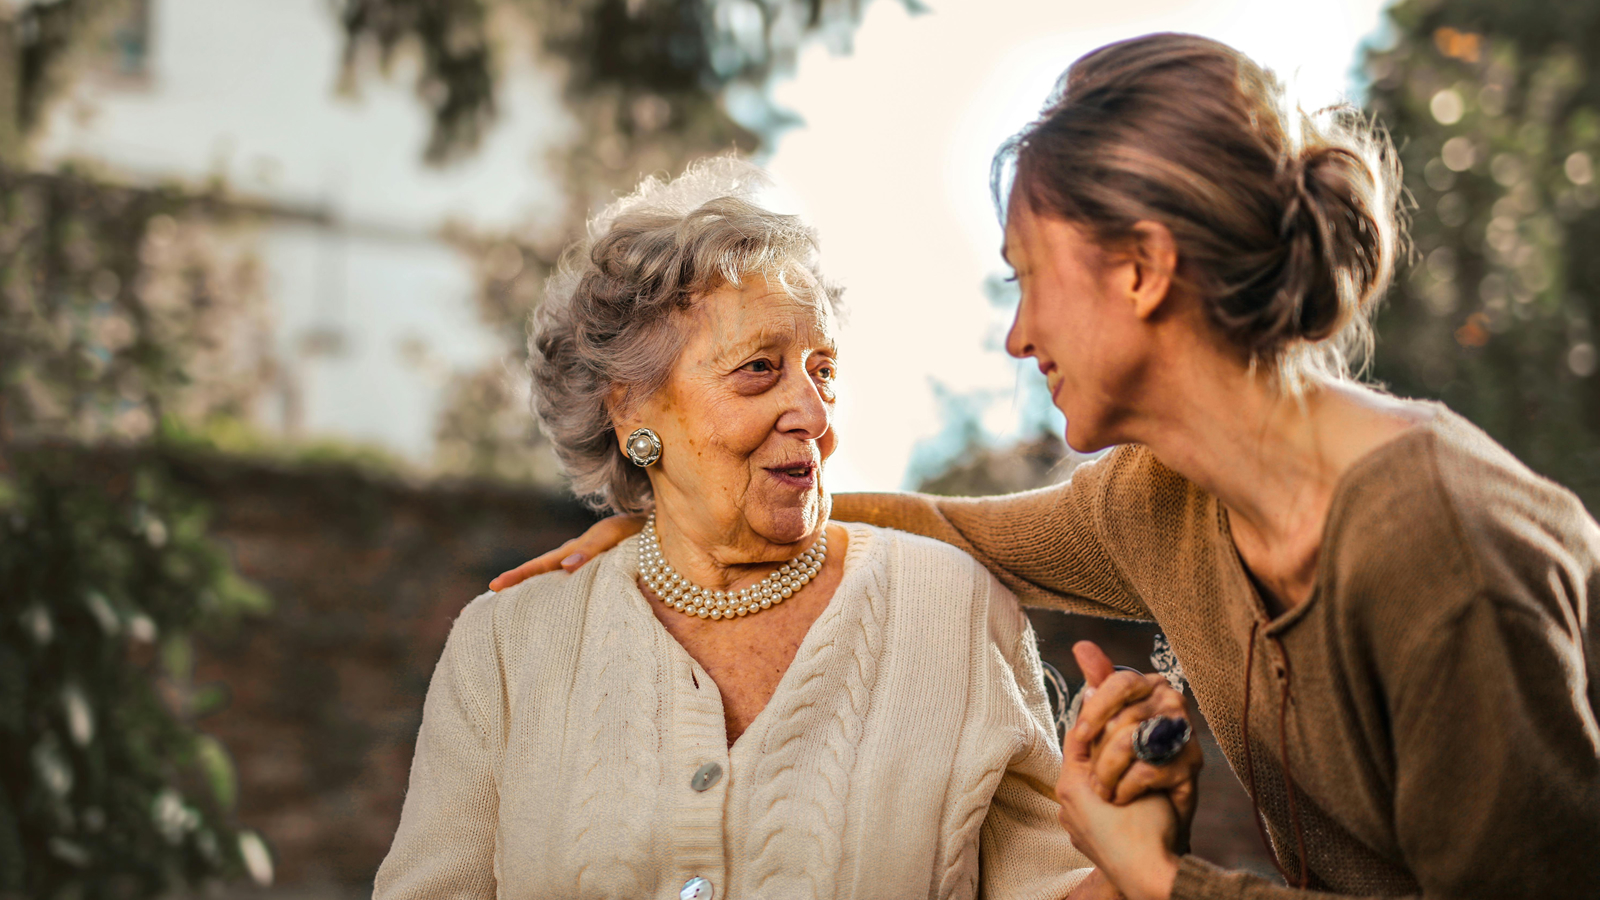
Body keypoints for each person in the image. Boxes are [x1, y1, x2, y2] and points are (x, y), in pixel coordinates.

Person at [489, 34, 1600, 900]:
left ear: (1142, 270)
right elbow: (949, 529)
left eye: (1027, 278)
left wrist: (1159, 876)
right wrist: (681, 521)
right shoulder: (1161, 501)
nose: (1018, 337)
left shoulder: (1435, 546)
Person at [373, 158, 1130, 900]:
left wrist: (1137, 851)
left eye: (823, 369)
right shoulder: (506, 648)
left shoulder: (954, 612)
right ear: (631, 408)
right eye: (760, 369)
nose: (815, 414)